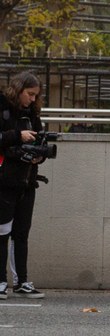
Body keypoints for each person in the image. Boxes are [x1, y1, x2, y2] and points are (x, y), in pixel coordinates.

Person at [0, 72, 47, 299]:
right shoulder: (3, 108)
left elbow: (38, 142)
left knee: (21, 233)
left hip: (27, 181)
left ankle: (21, 282)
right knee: (2, 232)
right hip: (5, 181)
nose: (32, 99)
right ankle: (0, 282)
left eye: (35, 96)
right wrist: (19, 136)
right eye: (29, 94)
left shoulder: (33, 114)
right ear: (18, 90)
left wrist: (39, 155)